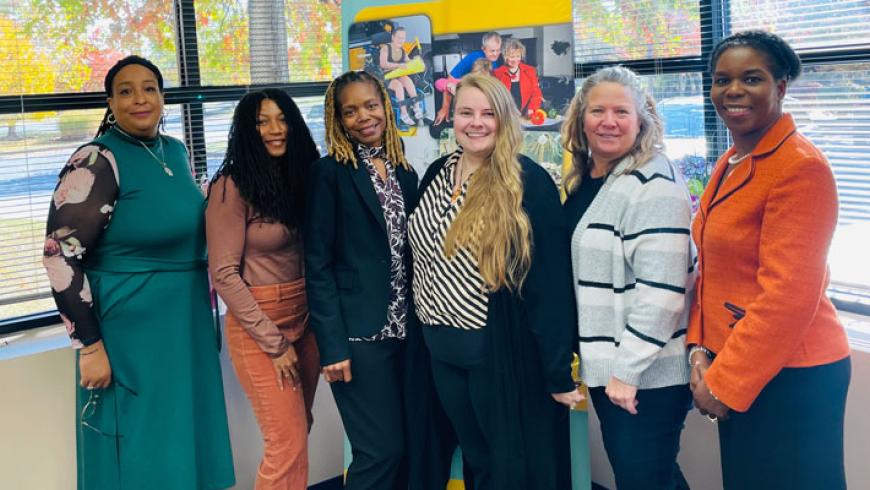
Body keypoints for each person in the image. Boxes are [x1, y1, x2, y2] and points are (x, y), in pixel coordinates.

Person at [42, 55, 235, 489]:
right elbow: (59, 256)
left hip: (183, 325)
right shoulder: (96, 159)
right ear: (110, 102)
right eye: (125, 91)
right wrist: (89, 346)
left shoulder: (175, 150)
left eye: (149, 88)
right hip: (129, 330)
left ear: (163, 97)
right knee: (141, 444)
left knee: (181, 437)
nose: (139, 99)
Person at [688, 30, 851, 490]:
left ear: (780, 86)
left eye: (752, 78)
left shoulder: (800, 167)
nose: (733, 91)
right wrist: (699, 348)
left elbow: (789, 295)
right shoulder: (734, 159)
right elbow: (712, 270)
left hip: (791, 373)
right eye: (722, 80)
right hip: (735, 360)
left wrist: (725, 382)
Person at [408, 73, 583, 490]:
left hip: (495, 353)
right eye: (466, 112)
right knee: (477, 461)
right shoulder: (437, 172)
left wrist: (558, 372)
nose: (476, 122)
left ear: (505, 119)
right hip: (438, 350)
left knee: (508, 468)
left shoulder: (526, 181)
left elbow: (549, 284)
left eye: (488, 113)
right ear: (453, 117)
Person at [561, 65, 694, 490]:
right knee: (652, 477)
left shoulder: (654, 181)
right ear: (581, 119)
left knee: (644, 480)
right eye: (597, 110)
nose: (609, 121)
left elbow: (664, 292)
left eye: (622, 111)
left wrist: (627, 373)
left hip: (644, 376)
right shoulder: (593, 175)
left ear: (642, 120)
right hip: (612, 367)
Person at [304, 70, 419, 489]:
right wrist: (332, 346)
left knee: (409, 446)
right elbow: (316, 265)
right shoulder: (330, 173)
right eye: (350, 111)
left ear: (385, 107)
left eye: (370, 105)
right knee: (379, 450)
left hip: (405, 333)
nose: (363, 117)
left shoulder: (403, 168)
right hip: (357, 338)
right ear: (338, 119)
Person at [206, 89, 320, 490]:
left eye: (282, 119)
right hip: (261, 327)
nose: (275, 130)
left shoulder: (301, 175)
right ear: (246, 131)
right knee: (286, 445)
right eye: (262, 122)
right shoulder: (231, 186)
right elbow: (223, 274)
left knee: (298, 431)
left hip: (307, 319)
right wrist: (274, 343)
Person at [433, 32, 503, 125]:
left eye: (498, 50)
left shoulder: (496, 63)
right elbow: (449, 80)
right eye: (492, 51)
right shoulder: (472, 57)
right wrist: (445, 107)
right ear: (483, 49)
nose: (495, 54)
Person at [380, 27, 424, 127]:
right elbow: (383, 64)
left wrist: (415, 60)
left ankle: (416, 108)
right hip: (387, 76)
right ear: (393, 37)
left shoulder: (402, 50)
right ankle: (404, 114)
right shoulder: (385, 48)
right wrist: (398, 65)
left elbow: (408, 62)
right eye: (398, 37)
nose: (401, 40)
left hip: (398, 74)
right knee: (398, 86)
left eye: (403, 38)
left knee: (408, 80)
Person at [493, 38, 543, 119]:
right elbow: (495, 97)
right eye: (512, 56)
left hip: (526, 115)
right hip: (506, 117)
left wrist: (531, 109)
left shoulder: (530, 71)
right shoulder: (497, 73)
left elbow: (536, 93)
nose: (515, 60)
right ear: (505, 56)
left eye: (518, 56)